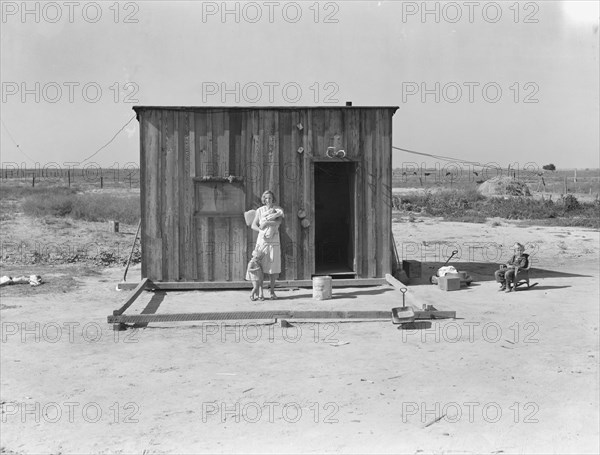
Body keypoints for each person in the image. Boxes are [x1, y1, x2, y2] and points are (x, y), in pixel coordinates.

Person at [251, 190, 283, 300]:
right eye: (266, 198)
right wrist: (261, 231)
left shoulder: (277, 210)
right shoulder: (260, 211)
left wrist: (266, 223)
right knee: (260, 267)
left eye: (270, 198)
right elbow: (253, 225)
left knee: (273, 268)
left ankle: (272, 291)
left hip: (274, 242)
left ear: (273, 199)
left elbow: (278, 222)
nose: (268, 200)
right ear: (263, 200)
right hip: (262, 241)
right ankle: (260, 292)